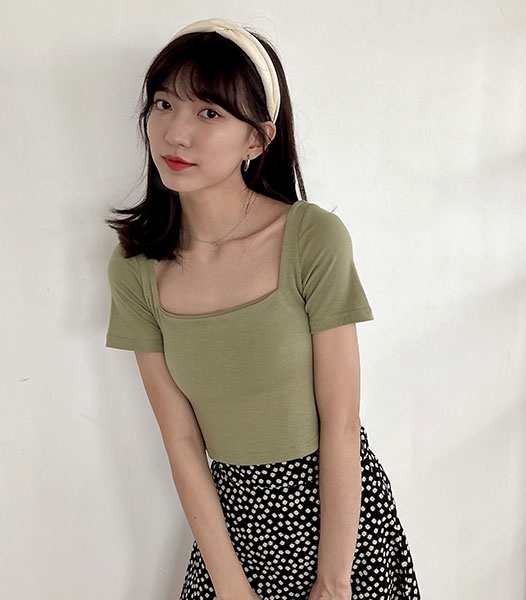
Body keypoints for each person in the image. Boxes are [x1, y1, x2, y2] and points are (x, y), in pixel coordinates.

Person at [105, 17, 420, 600]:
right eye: (164, 104)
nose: (176, 134)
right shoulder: (137, 268)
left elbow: (342, 422)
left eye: (209, 113)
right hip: (232, 533)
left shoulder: (312, 238)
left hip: (341, 530)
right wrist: (230, 587)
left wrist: (334, 584)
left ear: (258, 140)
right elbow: (181, 442)